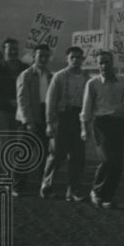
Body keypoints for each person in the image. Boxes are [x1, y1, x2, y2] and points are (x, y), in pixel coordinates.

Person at [81, 50, 124, 210]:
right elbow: (86, 108)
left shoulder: (122, 82)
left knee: (118, 163)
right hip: (101, 124)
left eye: (107, 62)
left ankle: (107, 197)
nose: (104, 65)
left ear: (112, 63)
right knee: (107, 160)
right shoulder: (92, 83)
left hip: (118, 124)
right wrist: (84, 128)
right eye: (100, 62)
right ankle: (96, 191)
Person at [41, 46, 88, 201]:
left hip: (79, 118)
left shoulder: (87, 77)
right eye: (72, 57)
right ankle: (47, 186)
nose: (75, 60)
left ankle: (73, 191)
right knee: (56, 154)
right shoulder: (59, 76)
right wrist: (49, 123)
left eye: (78, 57)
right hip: (62, 116)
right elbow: (50, 101)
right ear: (67, 59)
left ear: (83, 59)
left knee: (78, 156)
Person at [0, 38, 27, 183]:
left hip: (19, 111)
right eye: (10, 48)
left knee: (15, 145)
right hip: (0, 110)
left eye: (15, 48)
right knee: (1, 145)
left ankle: (13, 178)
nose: (13, 51)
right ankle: (1, 178)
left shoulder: (25, 68)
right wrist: (8, 101)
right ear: (5, 50)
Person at [15, 44, 53, 197]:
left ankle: (42, 187)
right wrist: (28, 121)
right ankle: (17, 186)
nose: (43, 58)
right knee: (24, 153)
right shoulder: (26, 75)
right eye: (40, 56)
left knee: (44, 154)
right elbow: (22, 99)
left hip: (45, 116)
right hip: (29, 117)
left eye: (46, 56)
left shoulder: (51, 76)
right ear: (34, 57)